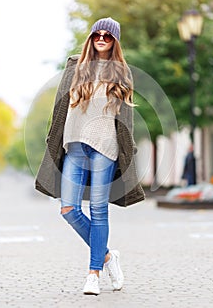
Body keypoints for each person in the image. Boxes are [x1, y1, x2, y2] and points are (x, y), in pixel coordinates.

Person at [35, 17, 145, 295]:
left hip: (105, 147)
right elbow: (60, 108)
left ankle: (93, 273)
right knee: (68, 209)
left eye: (109, 37)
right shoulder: (75, 66)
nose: (102, 39)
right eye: (98, 34)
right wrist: (53, 139)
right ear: (91, 37)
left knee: (98, 211)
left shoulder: (121, 72)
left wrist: (127, 151)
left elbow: (126, 119)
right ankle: (108, 256)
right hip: (74, 146)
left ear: (115, 42)